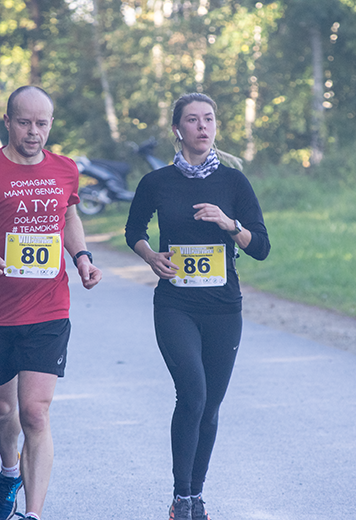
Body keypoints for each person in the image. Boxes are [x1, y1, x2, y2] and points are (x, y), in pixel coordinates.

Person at [0, 86, 102, 520]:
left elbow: (67, 215)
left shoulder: (66, 170)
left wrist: (81, 257)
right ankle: (9, 470)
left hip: (49, 308)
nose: (34, 132)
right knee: (2, 409)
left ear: (51, 124)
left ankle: (33, 514)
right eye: (25, 122)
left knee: (34, 412)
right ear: (8, 123)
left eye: (42, 123)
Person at [125, 93, 270, 520]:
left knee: (210, 407)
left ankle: (197, 493)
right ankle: (181, 497)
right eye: (193, 120)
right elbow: (134, 229)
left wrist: (230, 225)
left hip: (224, 308)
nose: (203, 127)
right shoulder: (157, 183)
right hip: (175, 305)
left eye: (209, 119)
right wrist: (150, 256)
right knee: (192, 393)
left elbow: (261, 246)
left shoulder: (233, 183)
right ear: (178, 130)